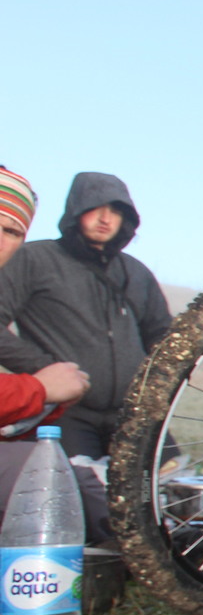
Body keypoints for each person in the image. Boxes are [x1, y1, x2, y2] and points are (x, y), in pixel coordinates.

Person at [0, 171, 171, 460]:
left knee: (159, 494)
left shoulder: (137, 273)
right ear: (75, 209)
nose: (106, 218)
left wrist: (155, 393)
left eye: (117, 210)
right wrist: (49, 371)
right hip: (65, 413)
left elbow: (165, 340)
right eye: (95, 207)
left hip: (133, 416)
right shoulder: (33, 258)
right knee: (75, 492)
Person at [0, 165, 111, 553]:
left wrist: (45, 399)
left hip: (88, 409)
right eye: (96, 208)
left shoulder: (134, 274)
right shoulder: (40, 260)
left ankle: (149, 550)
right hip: (59, 404)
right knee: (41, 474)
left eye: (11, 230)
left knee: (76, 478)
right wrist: (40, 381)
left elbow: (161, 335)